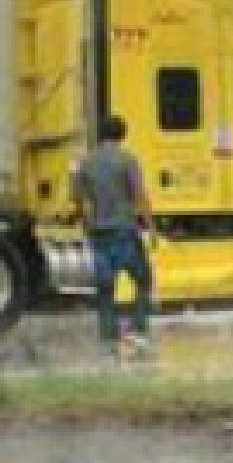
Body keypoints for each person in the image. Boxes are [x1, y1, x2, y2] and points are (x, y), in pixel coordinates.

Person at [73, 116, 155, 359]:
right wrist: (150, 227)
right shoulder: (127, 159)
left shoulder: (86, 162)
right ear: (123, 134)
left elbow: (77, 197)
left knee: (105, 288)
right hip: (125, 232)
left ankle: (107, 338)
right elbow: (139, 195)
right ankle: (138, 329)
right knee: (143, 281)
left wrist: (84, 221)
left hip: (99, 232)